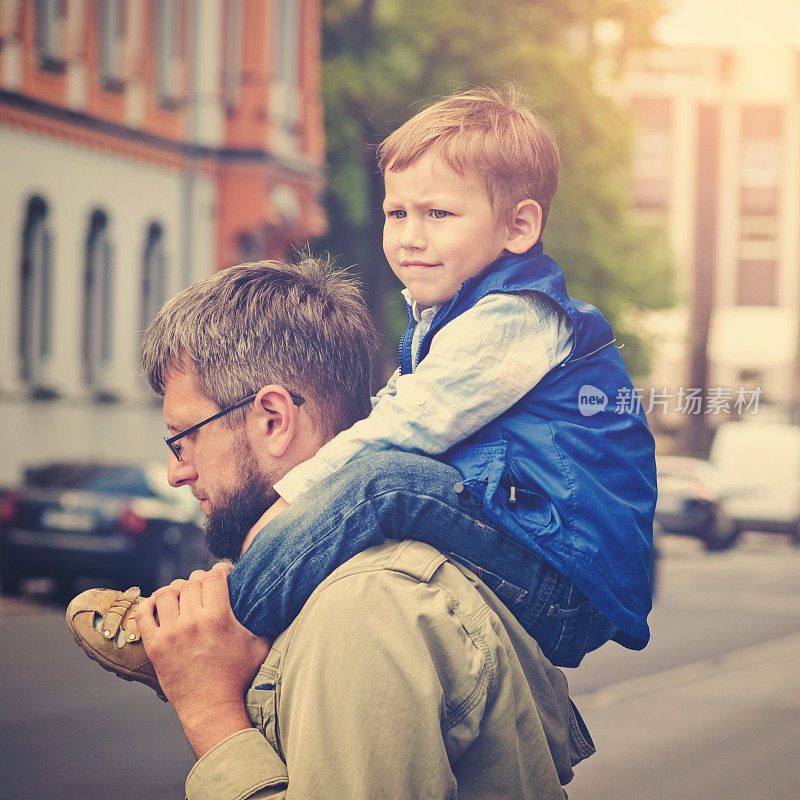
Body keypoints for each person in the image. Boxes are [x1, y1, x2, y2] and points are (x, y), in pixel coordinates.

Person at [70, 85, 656, 677]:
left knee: (381, 483)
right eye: (397, 213)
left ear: (519, 226)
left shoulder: (516, 318)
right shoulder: (457, 316)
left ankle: (216, 634)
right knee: (362, 492)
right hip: (533, 544)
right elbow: (394, 409)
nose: (410, 236)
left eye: (439, 214)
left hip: (563, 584)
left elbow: (406, 429)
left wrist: (290, 499)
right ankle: (233, 595)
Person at [68, 258, 595, 799]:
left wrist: (209, 709)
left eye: (185, 437)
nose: (178, 470)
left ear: (273, 420)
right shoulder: (340, 584)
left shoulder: (363, 606)